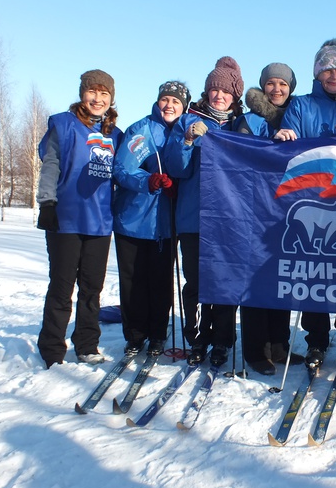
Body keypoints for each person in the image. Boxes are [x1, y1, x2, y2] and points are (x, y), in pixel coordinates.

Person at [275, 39, 336, 368]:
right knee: (313, 275)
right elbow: (292, 146)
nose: (334, 75)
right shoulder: (301, 105)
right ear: (317, 73)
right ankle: (316, 339)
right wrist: (287, 137)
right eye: (327, 69)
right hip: (312, 199)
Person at [36, 70, 123, 369]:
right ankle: (51, 347)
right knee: (61, 287)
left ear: (111, 98)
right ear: (82, 93)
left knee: (92, 289)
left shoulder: (116, 134)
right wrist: (47, 201)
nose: (97, 99)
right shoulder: (64, 124)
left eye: (104, 94)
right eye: (92, 92)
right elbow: (50, 164)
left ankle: (86, 344)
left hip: (99, 221)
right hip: (66, 220)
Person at [165, 57, 244, 367]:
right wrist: (186, 141)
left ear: (234, 96)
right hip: (194, 218)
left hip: (229, 220)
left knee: (223, 283)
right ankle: (197, 339)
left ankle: (223, 340)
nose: (219, 96)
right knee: (197, 282)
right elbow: (176, 169)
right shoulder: (189, 121)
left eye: (225, 91)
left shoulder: (242, 124)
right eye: (214, 90)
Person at [232, 63, 305, 375]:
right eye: (271, 84)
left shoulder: (296, 116)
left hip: (284, 210)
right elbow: (242, 155)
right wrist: (272, 141)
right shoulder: (249, 119)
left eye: (283, 85)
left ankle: (279, 343)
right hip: (253, 210)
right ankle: (256, 349)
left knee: (283, 278)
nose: (277, 89)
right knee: (256, 280)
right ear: (263, 87)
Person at [112, 80, 190, 357]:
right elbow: (121, 169)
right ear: (158, 102)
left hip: (166, 224)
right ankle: (135, 334)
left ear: (184, 107)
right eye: (165, 100)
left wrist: (180, 185)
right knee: (133, 281)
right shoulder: (141, 129)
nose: (170, 106)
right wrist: (149, 180)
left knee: (160, 282)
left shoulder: (184, 131)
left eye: (176, 102)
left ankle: (158, 333)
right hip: (133, 220)